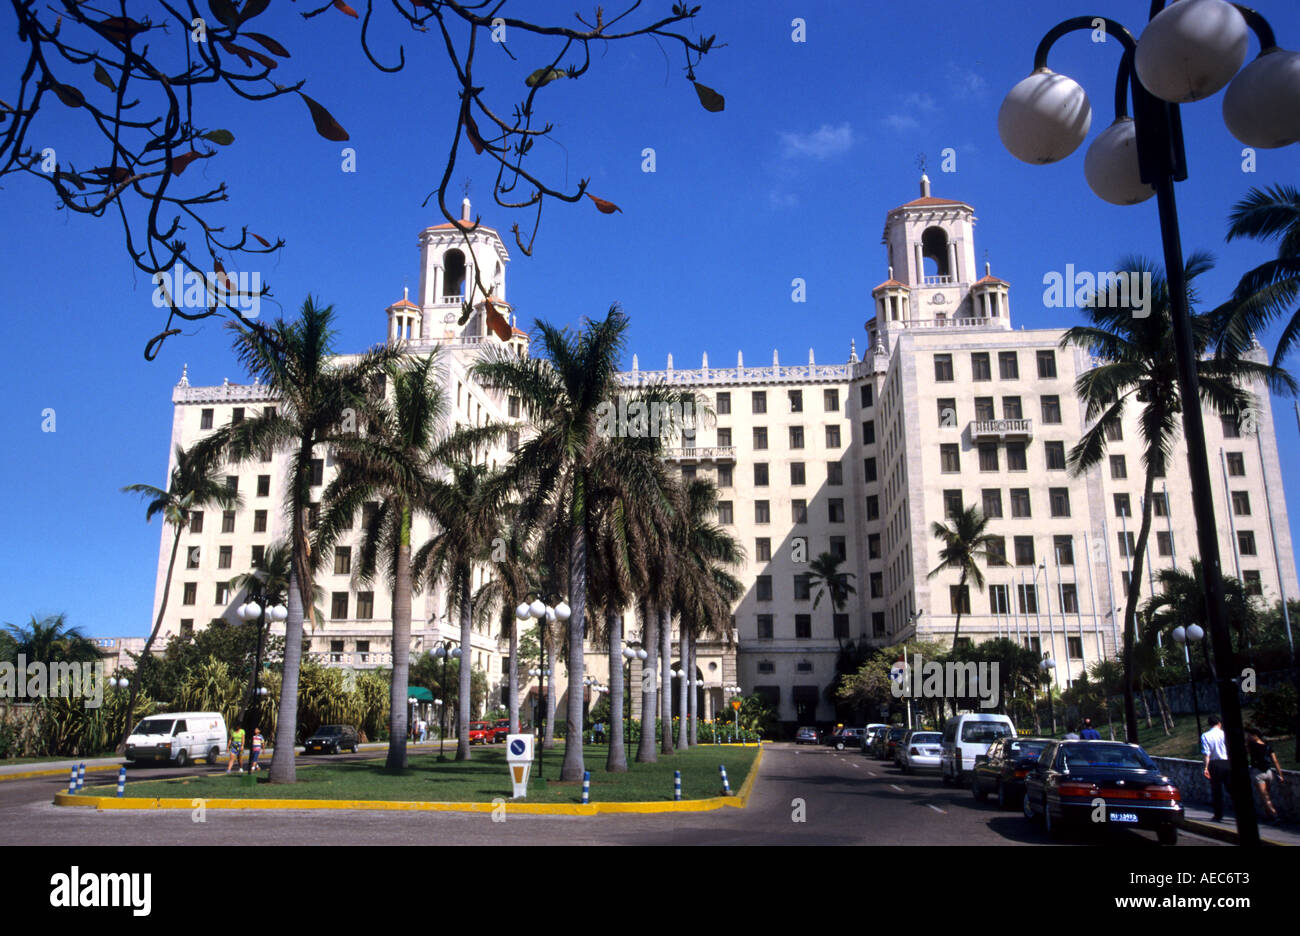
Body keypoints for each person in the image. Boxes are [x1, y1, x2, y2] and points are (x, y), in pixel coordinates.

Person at [1246, 726, 1287, 823]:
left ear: (1255, 735)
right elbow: (1275, 761)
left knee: (1265, 797)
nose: (1248, 737)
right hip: (1269, 772)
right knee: (1266, 795)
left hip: (1258, 773)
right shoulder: (1268, 747)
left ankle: (1275, 815)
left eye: (1249, 735)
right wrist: (1280, 775)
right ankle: (1268, 815)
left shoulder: (1251, 746)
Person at [1201, 715, 1231, 821]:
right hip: (1227, 762)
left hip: (1214, 764)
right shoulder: (1224, 734)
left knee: (1216, 790)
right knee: (1231, 788)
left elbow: (1206, 754)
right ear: (1219, 723)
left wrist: (1206, 768)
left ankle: (1218, 815)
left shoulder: (1205, 736)